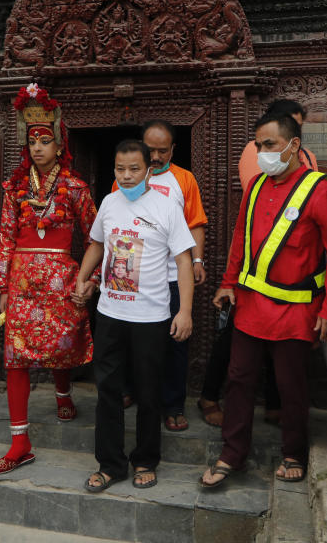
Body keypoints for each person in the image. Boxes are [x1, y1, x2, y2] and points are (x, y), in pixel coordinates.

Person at [200, 109, 327, 488]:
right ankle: (232, 454)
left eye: (270, 145)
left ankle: (294, 452)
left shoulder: (320, 189)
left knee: (291, 386)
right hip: (249, 306)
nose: (263, 152)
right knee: (238, 380)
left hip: (297, 309)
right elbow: (240, 241)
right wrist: (227, 283)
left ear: (294, 144)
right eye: (259, 145)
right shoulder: (257, 186)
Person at [0, 84, 98, 475]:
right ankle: (20, 442)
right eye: (32, 141)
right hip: (20, 281)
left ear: (59, 144)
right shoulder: (13, 189)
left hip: (61, 279)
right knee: (15, 356)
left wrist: (90, 280)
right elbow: (4, 237)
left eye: (45, 140)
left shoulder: (77, 189)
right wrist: (2, 288)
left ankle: (63, 392)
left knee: (60, 343)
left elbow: (97, 238)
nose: (37, 148)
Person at [73, 139, 196, 492]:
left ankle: (145, 459)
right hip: (110, 313)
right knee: (108, 390)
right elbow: (97, 244)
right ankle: (110, 464)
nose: (126, 176)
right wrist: (84, 278)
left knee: (148, 392)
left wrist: (184, 311)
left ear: (150, 170)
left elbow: (184, 260)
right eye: (120, 169)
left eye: (134, 169)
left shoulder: (166, 206)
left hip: (152, 317)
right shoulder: (110, 203)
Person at [198, 98, 314, 428]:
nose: (296, 135)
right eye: (290, 124)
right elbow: (263, 207)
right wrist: (230, 280)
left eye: (298, 127)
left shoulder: (307, 160)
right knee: (235, 345)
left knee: (286, 356)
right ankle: (210, 397)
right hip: (254, 273)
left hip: (293, 281)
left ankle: (278, 410)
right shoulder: (261, 156)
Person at [113, 120, 207, 431]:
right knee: (127, 336)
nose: (155, 156)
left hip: (171, 274)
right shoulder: (125, 178)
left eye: (162, 151)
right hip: (131, 274)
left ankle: (173, 404)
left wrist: (197, 259)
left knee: (176, 339)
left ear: (173, 149)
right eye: (149, 149)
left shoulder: (184, 179)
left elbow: (195, 222)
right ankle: (127, 390)